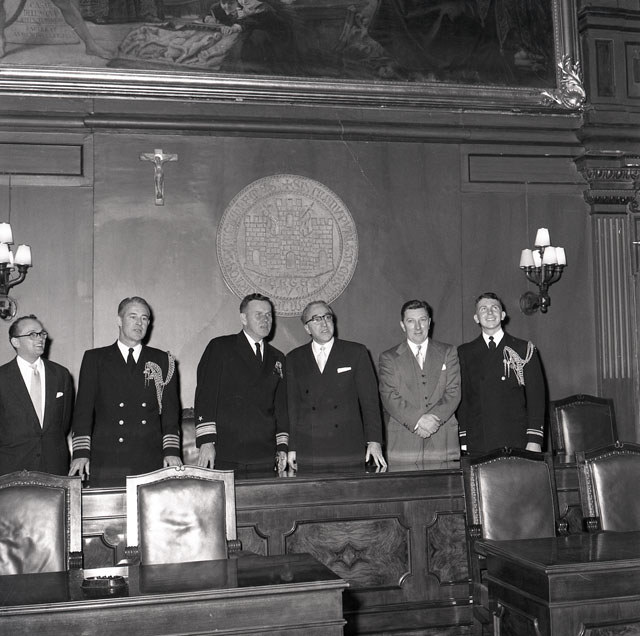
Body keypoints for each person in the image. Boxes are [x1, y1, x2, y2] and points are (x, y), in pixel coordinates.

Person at [68, 296, 181, 487]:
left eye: (144, 318)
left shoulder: (162, 360)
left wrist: (171, 451)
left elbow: (170, 412)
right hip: (108, 458)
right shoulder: (95, 359)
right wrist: (80, 453)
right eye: (133, 317)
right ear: (119, 321)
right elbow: (83, 411)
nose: (139, 323)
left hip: (149, 456)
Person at [286, 301, 386, 471]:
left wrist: (374, 441)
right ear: (307, 328)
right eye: (316, 319)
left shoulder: (356, 352)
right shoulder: (294, 358)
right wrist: (292, 447)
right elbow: (292, 408)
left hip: (347, 447)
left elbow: (370, 402)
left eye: (327, 317)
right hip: (310, 449)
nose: (324, 323)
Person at [194, 293, 289, 471]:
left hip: (264, 452)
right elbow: (206, 396)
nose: (265, 320)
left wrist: (282, 446)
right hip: (227, 450)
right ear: (243, 318)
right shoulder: (220, 347)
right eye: (258, 315)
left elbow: (281, 407)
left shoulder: (278, 357)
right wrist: (206, 441)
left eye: (268, 315)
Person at [457, 292, 546, 456]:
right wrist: (464, 439)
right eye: (483, 309)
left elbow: (536, 399)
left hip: (516, 439)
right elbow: (463, 401)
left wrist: (534, 439)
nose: (489, 312)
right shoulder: (464, 353)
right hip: (479, 440)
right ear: (476, 318)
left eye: (494, 308)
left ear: (503, 315)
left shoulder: (524, 349)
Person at [379, 299, 461, 464]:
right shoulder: (389, 358)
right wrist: (418, 421)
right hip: (404, 443)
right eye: (411, 321)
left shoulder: (448, 352)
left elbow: (454, 392)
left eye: (422, 320)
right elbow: (388, 396)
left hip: (443, 439)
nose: (418, 327)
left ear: (429, 322)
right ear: (403, 325)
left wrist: (433, 421)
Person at [0, 315, 73, 475]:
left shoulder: (61, 374)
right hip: (12, 469)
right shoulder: (3, 377)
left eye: (42, 334)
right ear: (15, 341)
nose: (40, 338)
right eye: (33, 334)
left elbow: (64, 422)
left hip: (54, 467)